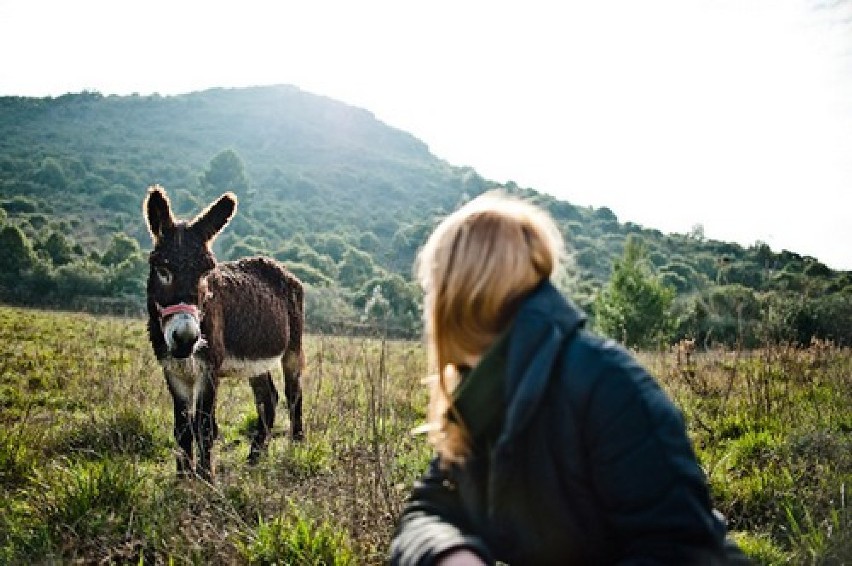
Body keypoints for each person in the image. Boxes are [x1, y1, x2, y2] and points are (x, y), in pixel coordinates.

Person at [389, 191, 747, 565]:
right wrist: (449, 553)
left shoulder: (606, 382)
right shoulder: (481, 393)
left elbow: (679, 549)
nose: (428, 306)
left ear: (464, 290)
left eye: (431, 288)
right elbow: (427, 508)